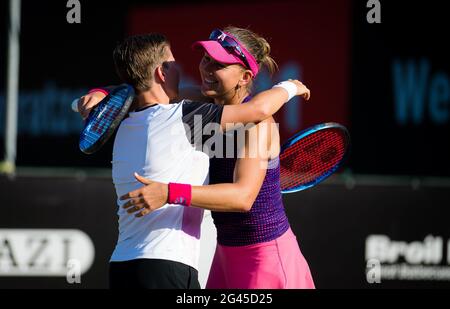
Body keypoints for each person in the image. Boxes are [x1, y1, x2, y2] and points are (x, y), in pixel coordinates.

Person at [77, 32, 310, 289]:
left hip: (265, 258)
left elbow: (242, 198)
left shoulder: (259, 125)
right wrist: (101, 93)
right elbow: (143, 85)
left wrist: (288, 87)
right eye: (206, 59)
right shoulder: (197, 105)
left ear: (244, 78)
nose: (206, 68)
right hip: (224, 257)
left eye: (218, 64)